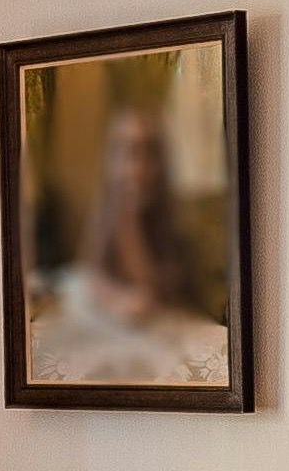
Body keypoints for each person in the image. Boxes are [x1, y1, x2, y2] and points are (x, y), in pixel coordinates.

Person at [27, 88, 230, 387]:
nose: (136, 167)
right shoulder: (106, 208)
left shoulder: (175, 219)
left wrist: (129, 222)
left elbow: (151, 296)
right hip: (110, 314)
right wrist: (114, 297)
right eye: (127, 152)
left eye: (147, 152)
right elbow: (92, 274)